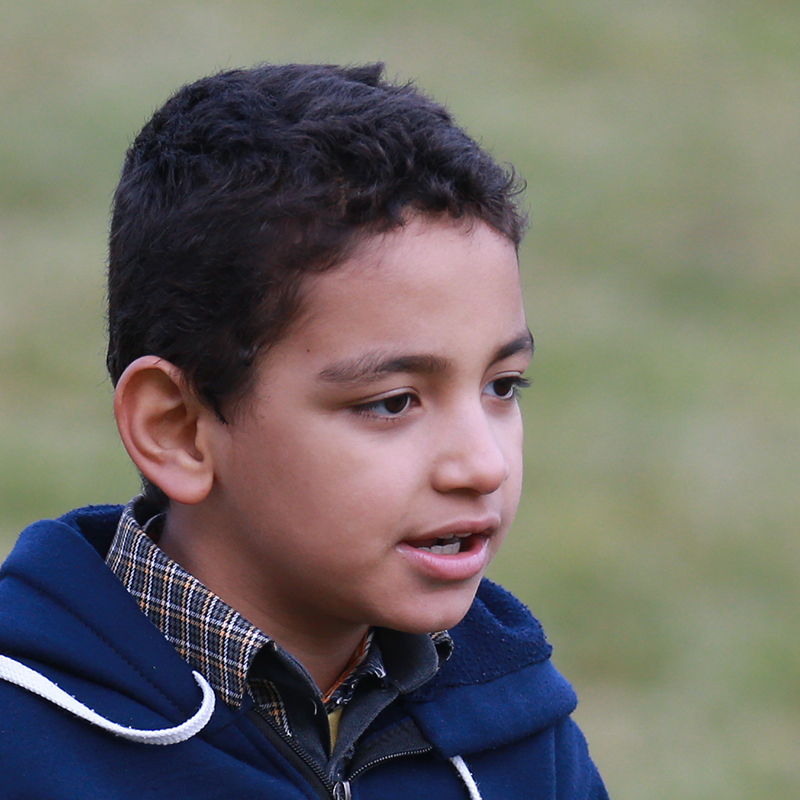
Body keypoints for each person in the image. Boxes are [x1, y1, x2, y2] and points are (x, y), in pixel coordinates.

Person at [0, 63, 608, 799]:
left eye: (501, 387)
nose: (483, 466)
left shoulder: (517, 734)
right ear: (178, 430)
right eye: (393, 402)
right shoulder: (23, 743)